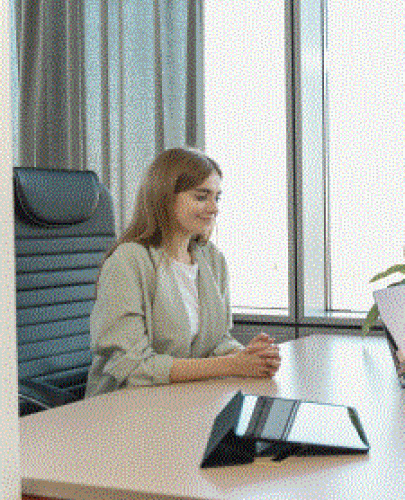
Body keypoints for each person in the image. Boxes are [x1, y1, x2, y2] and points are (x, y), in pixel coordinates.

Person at [85, 147, 280, 397]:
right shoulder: (128, 261)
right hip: (124, 409)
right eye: (201, 197)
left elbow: (216, 341)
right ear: (165, 198)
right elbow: (133, 367)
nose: (214, 208)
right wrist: (232, 365)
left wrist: (247, 355)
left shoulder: (212, 259)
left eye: (217, 198)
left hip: (183, 401)